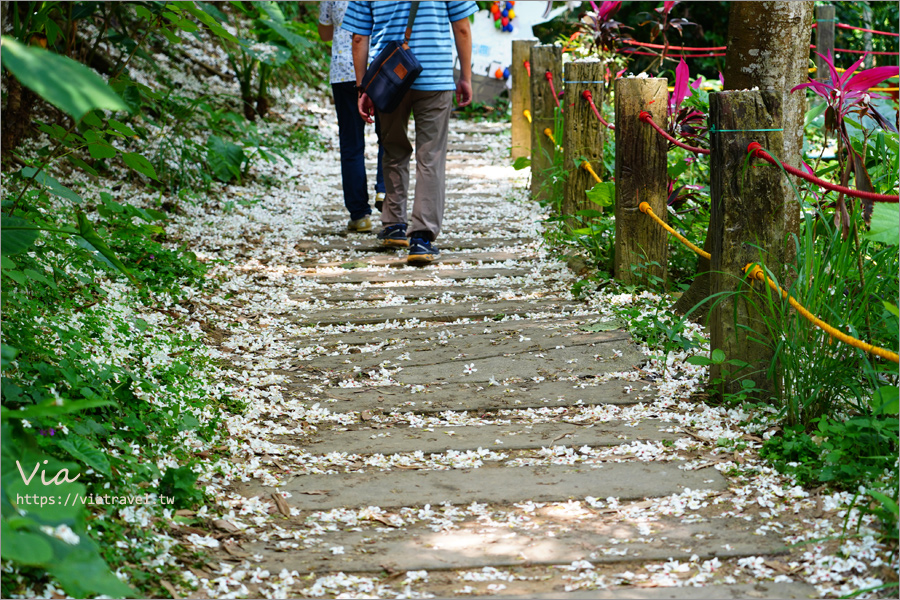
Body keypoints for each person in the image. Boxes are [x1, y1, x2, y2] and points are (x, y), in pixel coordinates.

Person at [343, 1, 475, 264]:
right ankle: (422, 238)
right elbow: (461, 28)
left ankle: (393, 225)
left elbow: (359, 38)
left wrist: (363, 87)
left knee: (393, 149)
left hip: (389, 77)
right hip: (435, 77)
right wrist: (466, 77)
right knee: (431, 156)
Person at [317, 1, 385, 233]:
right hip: (382, 68)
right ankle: (385, 191)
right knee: (388, 136)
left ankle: (359, 215)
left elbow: (325, 33)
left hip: (345, 71)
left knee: (351, 144)